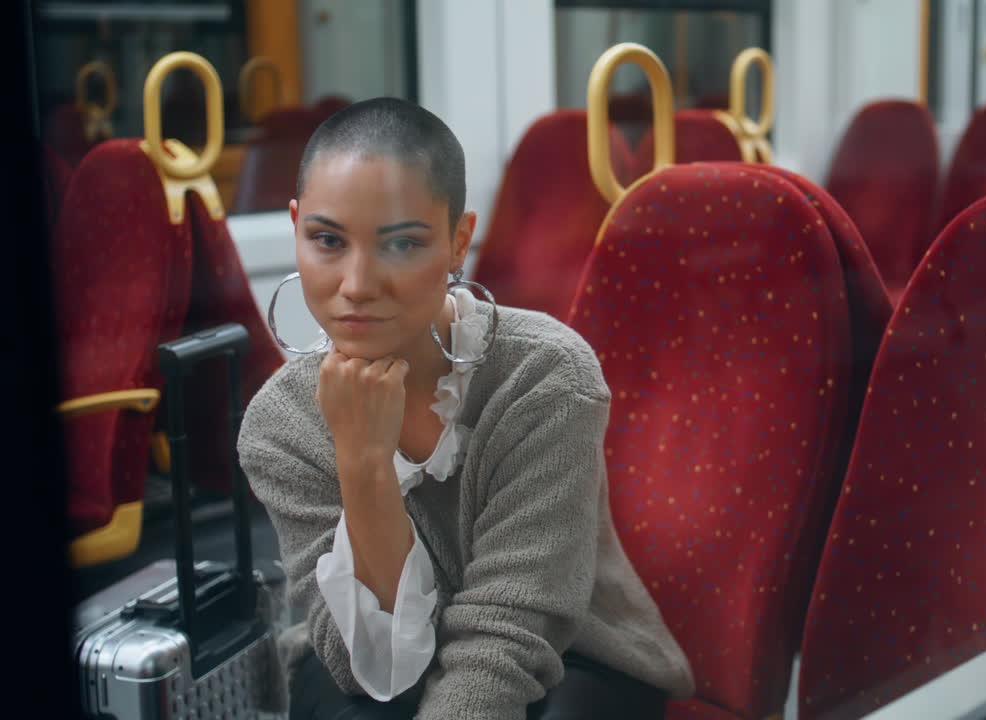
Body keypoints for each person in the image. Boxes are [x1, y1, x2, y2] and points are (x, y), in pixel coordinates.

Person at [239, 97, 695, 720]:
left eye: (401, 243)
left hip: (572, 657)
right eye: (327, 240)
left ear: (458, 241)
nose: (357, 283)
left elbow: (508, 636)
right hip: (383, 673)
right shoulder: (278, 427)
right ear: (296, 230)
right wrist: (362, 460)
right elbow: (361, 663)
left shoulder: (544, 377)